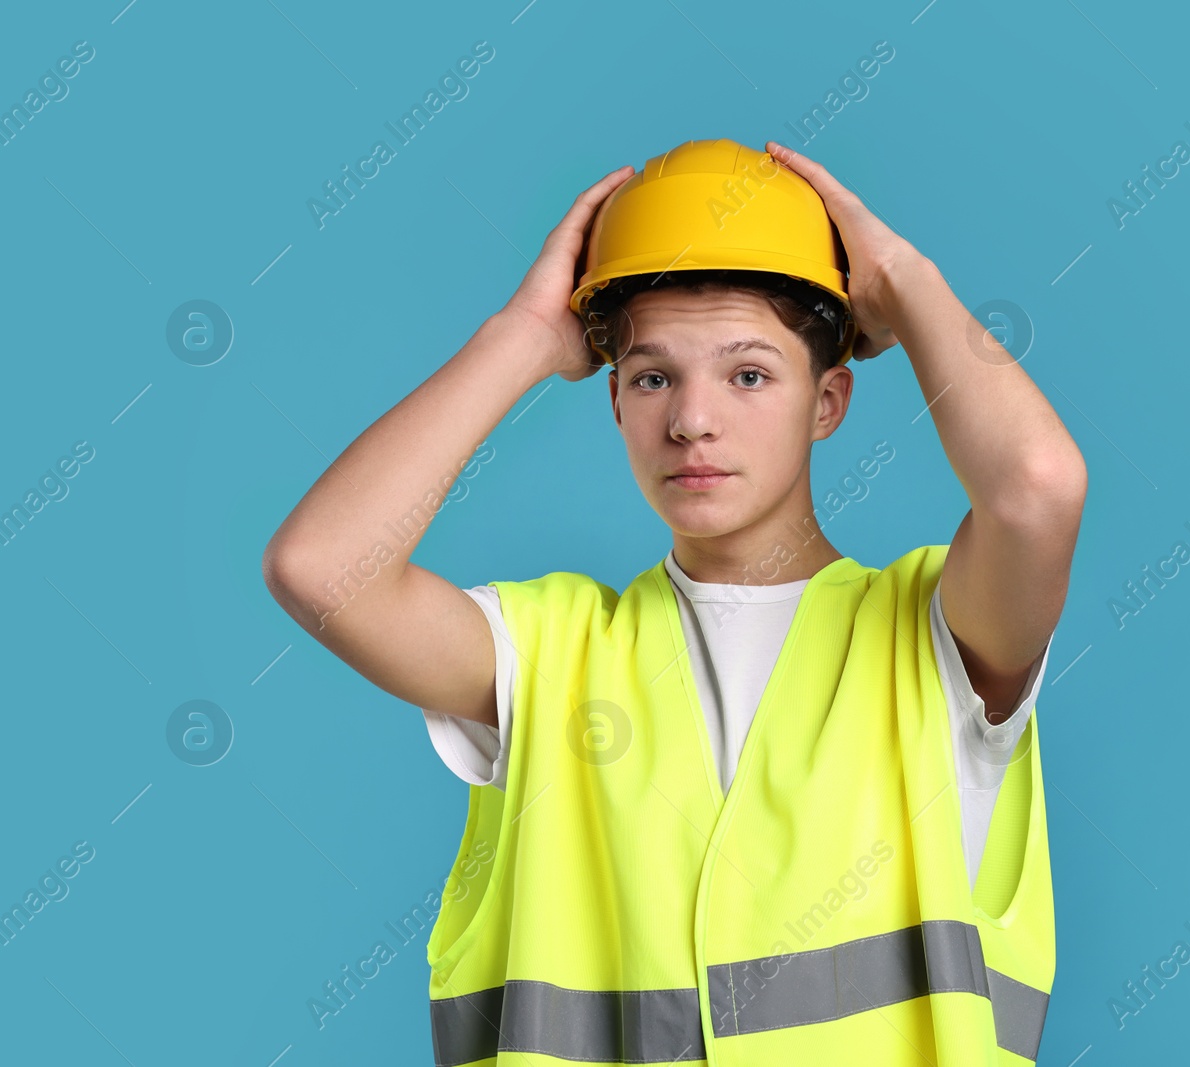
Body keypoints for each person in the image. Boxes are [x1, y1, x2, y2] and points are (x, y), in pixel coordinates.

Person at [263, 137, 1087, 1065]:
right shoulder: (550, 651)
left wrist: (900, 279)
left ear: (829, 401)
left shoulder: (934, 635)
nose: (692, 418)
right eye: (654, 376)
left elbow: (1039, 488)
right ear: (616, 401)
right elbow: (321, 567)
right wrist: (524, 338)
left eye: (749, 374)